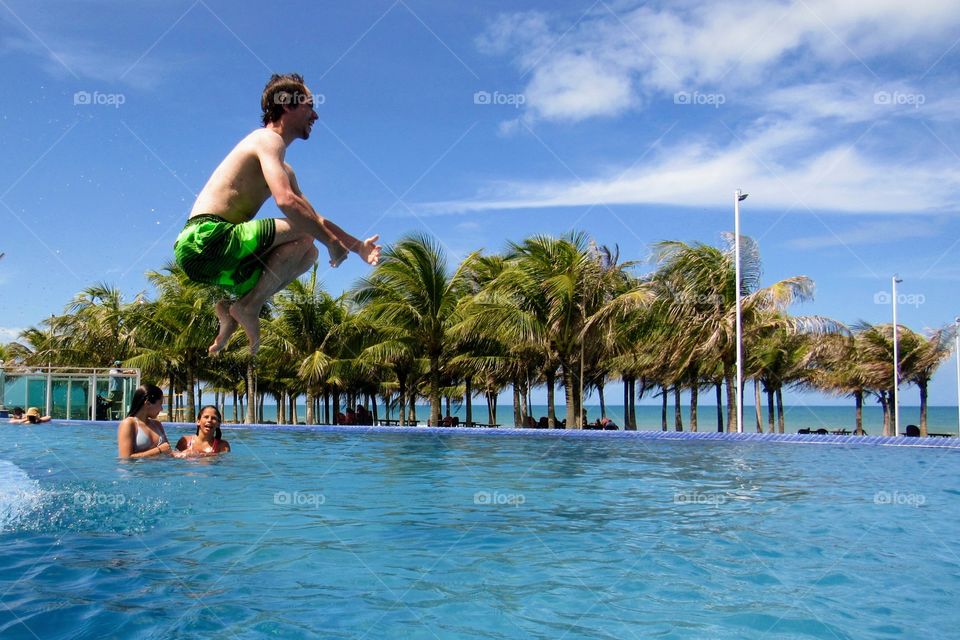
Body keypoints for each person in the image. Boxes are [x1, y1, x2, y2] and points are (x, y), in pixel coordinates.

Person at [174, 73, 381, 356]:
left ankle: (232, 307)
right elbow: (286, 202)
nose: (316, 115)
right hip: (206, 238)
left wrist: (357, 247)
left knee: (308, 253)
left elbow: (313, 217)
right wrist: (331, 242)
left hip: (213, 260)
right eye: (309, 105)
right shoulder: (266, 140)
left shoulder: (284, 166)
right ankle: (248, 306)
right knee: (309, 234)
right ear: (286, 104)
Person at [117, 384, 171, 458]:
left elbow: (168, 452)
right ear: (148, 403)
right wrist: (158, 450)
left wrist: (187, 453)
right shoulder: (129, 424)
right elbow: (125, 458)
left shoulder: (157, 425)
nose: (161, 409)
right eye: (160, 404)